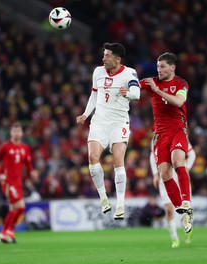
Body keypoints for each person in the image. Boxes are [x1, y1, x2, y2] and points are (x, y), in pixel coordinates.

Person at [76, 42, 140, 220]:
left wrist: (126, 92)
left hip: (119, 123)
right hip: (100, 122)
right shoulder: (98, 72)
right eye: (103, 55)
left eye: (107, 55)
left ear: (117, 59)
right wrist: (85, 114)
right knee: (92, 157)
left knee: (118, 160)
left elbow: (137, 94)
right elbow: (94, 94)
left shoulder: (129, 73)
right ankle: (104, 198)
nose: (103, 58)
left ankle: (120, 205)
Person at [140, 52, 193, 233]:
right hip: (160, 135)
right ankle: (184, 212)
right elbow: (132, 89)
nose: (159, 70)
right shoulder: (152, 82)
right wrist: (124, 88)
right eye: (157, 67)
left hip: (178, 130)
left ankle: (186, 200)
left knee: (178, 161)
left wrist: (157, 90)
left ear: (172, 67)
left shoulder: (181, 83)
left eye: (162, 66)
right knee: (164, 174)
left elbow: (178, 102)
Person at [0, 122, 38, 243]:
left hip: (18, 182)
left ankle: (5, 233)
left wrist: (32, 172)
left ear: (22, 133)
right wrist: (0, 174)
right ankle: (6, 231)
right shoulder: (5, 147)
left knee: (16, 208)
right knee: (19, 206)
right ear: (11, 133)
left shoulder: (25, 148)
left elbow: (28, 163)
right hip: (8, 181)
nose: (16, 133)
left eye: (18, 131)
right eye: (14, 131)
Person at [150, 142, 196, 248]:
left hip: (180, 176)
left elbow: (192, 153)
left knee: (186, 207)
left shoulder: (176, 134)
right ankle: (174, 238)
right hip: (165, 176)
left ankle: (188, 229)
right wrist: (155, 174)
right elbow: (153, 156)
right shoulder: (155, 140)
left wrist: (187, 167)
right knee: (169, 209)